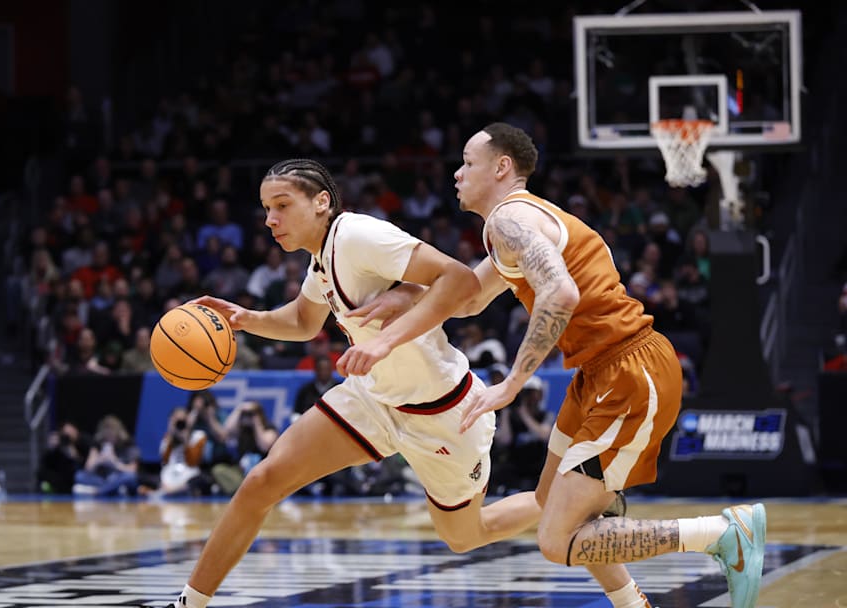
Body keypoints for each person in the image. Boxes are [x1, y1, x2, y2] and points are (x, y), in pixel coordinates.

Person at [361, 123, 765, 608]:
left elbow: (561, 292)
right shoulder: (516, 223)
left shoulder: (509, 220)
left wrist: (513, 382)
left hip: (629, 371)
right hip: (600, 374)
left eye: (468, 162)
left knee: (557, 540)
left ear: (501, 167)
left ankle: (722, 532)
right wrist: (404, 298)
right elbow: (467, 299)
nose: (457, 172)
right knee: (551, 504)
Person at [171, 158, 541, 608]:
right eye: (267, 208)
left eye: (282, 205)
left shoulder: (359, 236)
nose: (270, 220)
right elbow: (305, 321)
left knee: (465, 536)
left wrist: (386, 337)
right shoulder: (322, 258)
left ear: (321, 202)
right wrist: (248, 319)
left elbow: (460, 282)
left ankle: (559, 499)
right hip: (373, 397)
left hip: (442, 411)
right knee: (261, 482)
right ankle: (189, 604)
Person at [72, 415, 143, 497]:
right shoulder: (97, 445)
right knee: (79, 475)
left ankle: (99, 491)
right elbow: (88, 468)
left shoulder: (128, 444)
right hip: (103, 479)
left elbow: (132, 470)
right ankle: (113, 489)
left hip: (118, 477)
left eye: (112, 432)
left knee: (130, 477)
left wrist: (114, 462)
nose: (109, 435)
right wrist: (99, 460)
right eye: (106, 432)